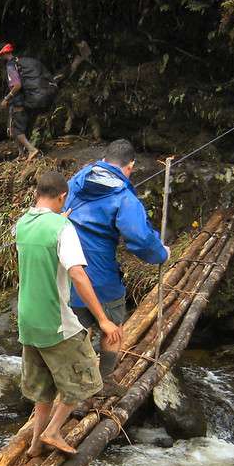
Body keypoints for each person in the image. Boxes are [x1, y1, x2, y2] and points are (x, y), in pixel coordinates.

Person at [15, 169, 122, 457]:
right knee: (88, 379)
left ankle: (36, 445)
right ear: (63, 196)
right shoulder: (64, 229)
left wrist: (59, 221)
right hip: (56, 322)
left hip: (27, 321)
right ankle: (53, 431)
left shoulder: (22, 223)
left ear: (37, 193)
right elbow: (76, 273)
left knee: (43, 389)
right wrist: (102, 318)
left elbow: (44, 232)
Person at [65, 139, 170, 392]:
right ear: (130, 166)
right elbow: (140, 238)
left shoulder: (75, 183)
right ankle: (105, 382)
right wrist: (161, 254)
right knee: (113, 327)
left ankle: (78, 386)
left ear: (104, 159)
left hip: (68, 270)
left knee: (79, 331)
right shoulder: (124, 197)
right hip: (102, 274)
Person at [0, 43, 58, 162]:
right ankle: (21, 154)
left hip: (18, 102)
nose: (0, 59)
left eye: (0, 56)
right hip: (25, 99)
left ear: (4, 54)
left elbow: (17, 85)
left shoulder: (11, 66)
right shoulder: (19, 62)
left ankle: (32, 149)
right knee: (15, 130)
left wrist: (6, 99)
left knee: (17, 131)